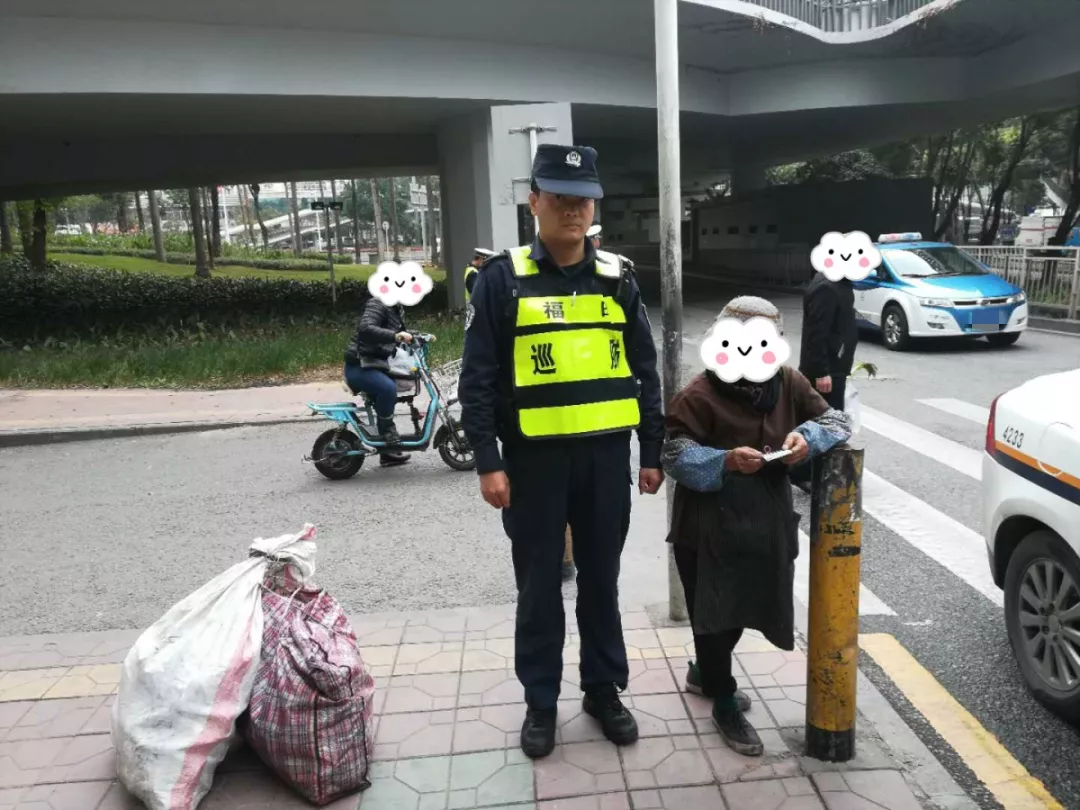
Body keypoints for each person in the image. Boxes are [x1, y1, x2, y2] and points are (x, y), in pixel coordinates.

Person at [459, 143, 665, 759]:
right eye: (559, 198)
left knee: (602, 582)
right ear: (535, 202)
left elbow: (645, 369)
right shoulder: (502, 279)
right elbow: (478, 379)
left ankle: (603, 690)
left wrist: (651, 451)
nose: (573, 210)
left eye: (583, 200)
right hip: (533, 465)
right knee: (539, 588)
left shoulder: (617, 278)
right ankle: (541, 702)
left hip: (605, 462)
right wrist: (488, 460)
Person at [661, 296, 851, 757]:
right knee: (713, 615)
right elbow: (674, 454)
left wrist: (807, 438)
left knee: (749, 604)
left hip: (766, 518)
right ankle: (723, 699)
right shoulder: (698, 393)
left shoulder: (788, 381)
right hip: (707, 524)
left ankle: (705, 673)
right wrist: (724, 460)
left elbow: (836, 419)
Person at [792, 265, 858, 490]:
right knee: (823, 423)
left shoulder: (839, 283)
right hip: (825, 371)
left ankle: (818, 471)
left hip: (834, 367)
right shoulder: (827, 288)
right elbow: (817, 332)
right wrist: (820, 371)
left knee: (827, 422)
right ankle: (803, 472)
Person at [342, 295, 413, 467]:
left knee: (399, 384)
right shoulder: (378, 303)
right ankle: (388, 433)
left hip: (375, 364)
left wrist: (415, 336)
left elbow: (395, 333)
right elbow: (365, 328)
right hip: (359, 365)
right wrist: (396, 336)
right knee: (387, 388)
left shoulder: (395, 307)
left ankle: (386, 451)